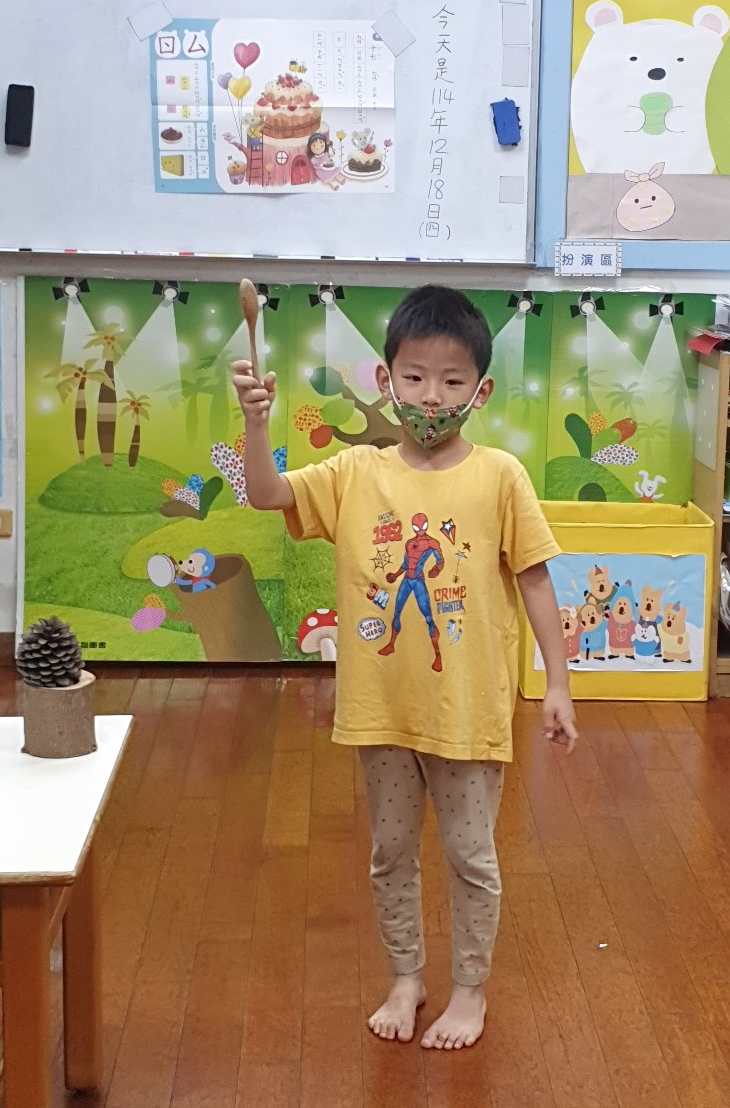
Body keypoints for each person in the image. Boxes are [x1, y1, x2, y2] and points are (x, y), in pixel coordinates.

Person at [232, 284, 577, 1052]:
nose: (432, 396)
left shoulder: (500, 476)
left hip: (468, 713)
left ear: (481, 391)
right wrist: (256, 424)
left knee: (470, 856)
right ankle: (406, 978)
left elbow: (534, 578)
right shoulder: (356, 472)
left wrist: (558, 683)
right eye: (415, 376)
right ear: (387, 379)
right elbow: (266, 493)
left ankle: (469, 992)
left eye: (452, 381)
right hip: (381, 711)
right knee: (390, 855)